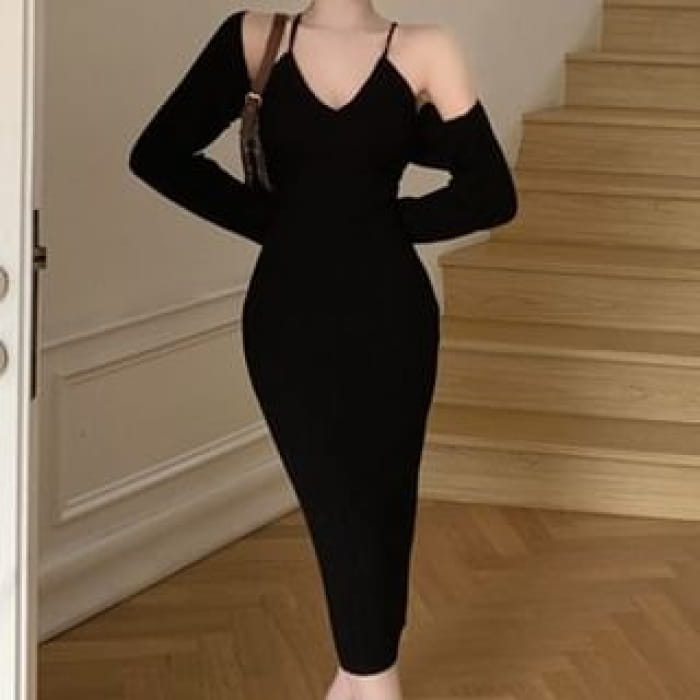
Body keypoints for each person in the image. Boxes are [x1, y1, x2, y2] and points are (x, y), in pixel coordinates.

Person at [128, 2, 518, 698]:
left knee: (385, 497)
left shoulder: (426, 47)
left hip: (392, 314)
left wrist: (380, 225)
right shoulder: (254, 38)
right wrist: (281, 225)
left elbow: (491, 193)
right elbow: (158, 155)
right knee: (333, 499)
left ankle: (362, 674)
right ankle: (372, 675)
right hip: (289, 317)